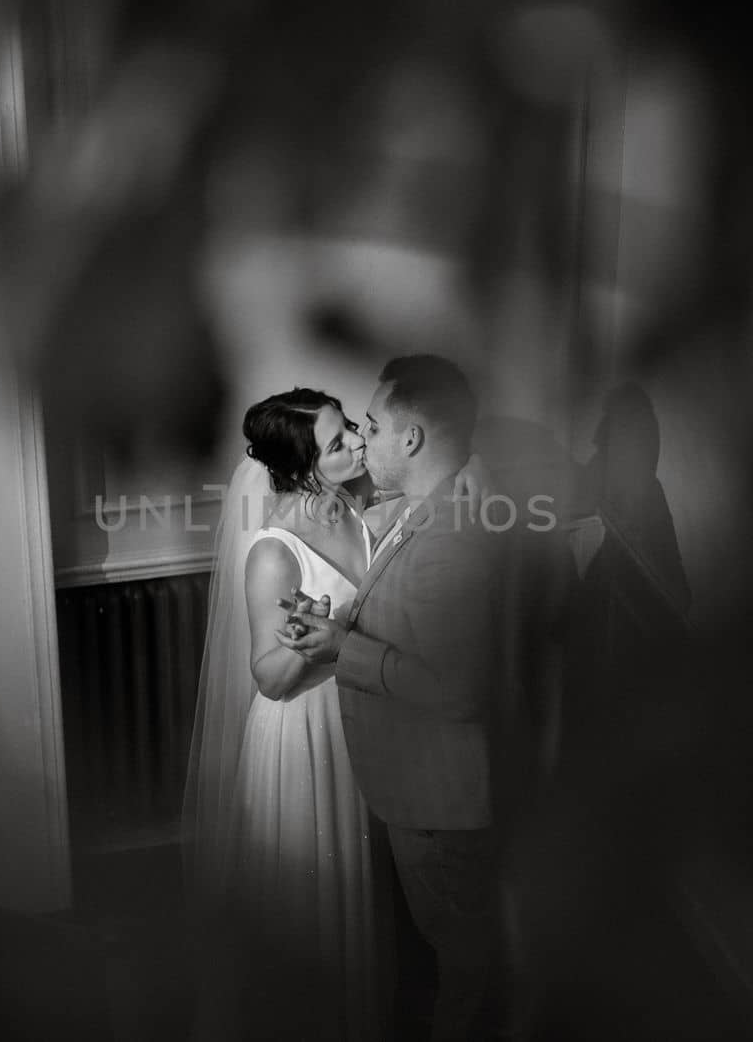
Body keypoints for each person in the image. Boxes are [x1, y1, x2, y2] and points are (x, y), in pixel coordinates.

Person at [182, 385, 490, 1040]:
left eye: (351, 426)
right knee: (313, 913)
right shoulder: (274, 551)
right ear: (302, 468)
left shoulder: (357, 509)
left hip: (364, 722)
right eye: (337, 441)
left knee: (367, 902)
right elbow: (268, 678)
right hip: (305, 734)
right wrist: (312, 645)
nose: (355, 441)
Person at [279, 355, 507, 1040]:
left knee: (469, 968)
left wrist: (334, 649)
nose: (363, 439)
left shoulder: (457, 534)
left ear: (410, 440)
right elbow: (407, 617)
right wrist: (337, 622)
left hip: (440, 800)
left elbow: (454, 686)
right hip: (413, 785)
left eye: (372, 427)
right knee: (448, 951)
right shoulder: (423, 508)